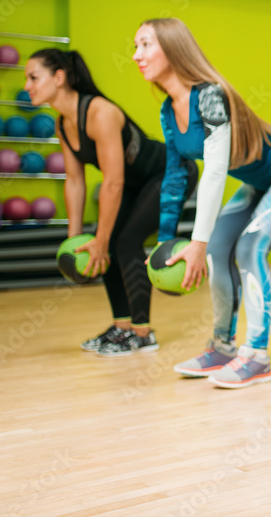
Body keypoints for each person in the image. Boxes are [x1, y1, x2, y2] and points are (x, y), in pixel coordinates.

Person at [134, 18, 271, 389]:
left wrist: (195, 243)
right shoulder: (170, 110)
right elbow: (174, 178)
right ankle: (222, 347)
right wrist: (166, 242)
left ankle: (258, 357)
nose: (137, 55)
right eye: (134, 47)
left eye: (145, 45)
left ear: (172, 47)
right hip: (259, 181)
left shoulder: (210, 95)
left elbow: (215, 172)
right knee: (219, 248)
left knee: (250, 248)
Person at [24, 49, 197, 356]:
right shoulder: (63, 123)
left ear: (59, 78)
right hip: (135, 182)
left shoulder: (99, 113)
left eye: (33, 77)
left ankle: (143, 333)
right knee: (102, 243)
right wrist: (77, 238)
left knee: (124, 241)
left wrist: (102, 240)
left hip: (170, 172)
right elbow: (75, 181)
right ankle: (122, 326)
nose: (27, 85)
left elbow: (113, 181)